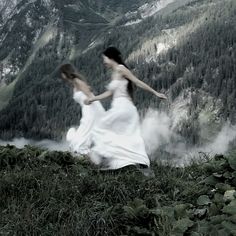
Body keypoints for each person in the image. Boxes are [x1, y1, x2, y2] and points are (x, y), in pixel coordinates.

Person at [84, 46, 167, 170]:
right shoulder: (115, 73)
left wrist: (155, 93)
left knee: (101, 126)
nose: (104, 62)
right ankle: (125, 163)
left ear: (111, 57)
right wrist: (93, 99)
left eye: (105, 59)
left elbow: (137, 81)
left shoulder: (121, 69)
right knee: (123, 135)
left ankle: (105, 160)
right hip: (120, 107)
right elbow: (109, 93)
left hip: (123, 107)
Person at [59, 64, 105, 155]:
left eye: (62, 73)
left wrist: (87, 101)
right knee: (85, 131)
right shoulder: (74, 82)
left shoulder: (77, 81)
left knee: (85, 131)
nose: (61, 75)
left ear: (65, 73)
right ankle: (86, 154)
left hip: (90, 110)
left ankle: (85, 154)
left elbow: (90, 97)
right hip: (87, 110)